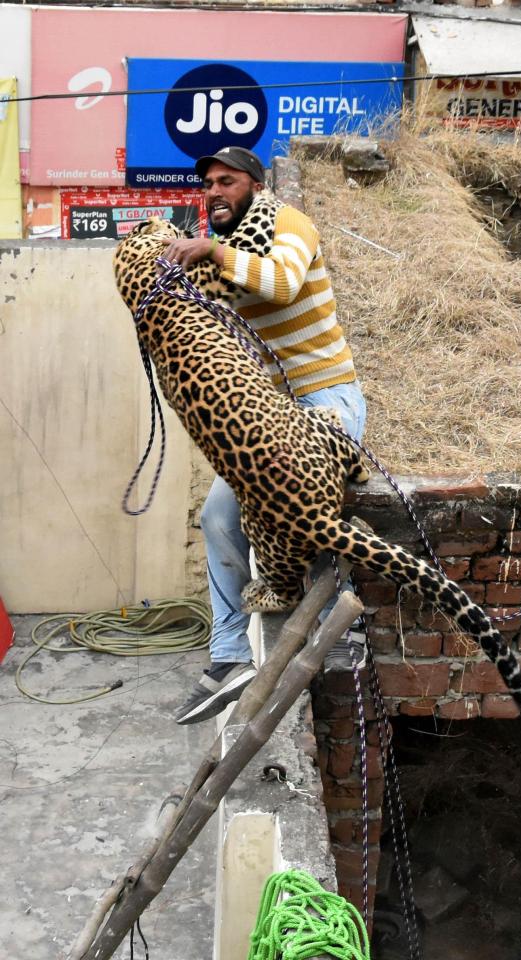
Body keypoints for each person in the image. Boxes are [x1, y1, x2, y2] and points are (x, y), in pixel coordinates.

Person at [163, 146, 367, 725]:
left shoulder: (288, 224)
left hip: (327, 399)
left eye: (227, 181)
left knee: (300, 514)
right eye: (208, 184)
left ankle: (341, 637)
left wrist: (209, 249)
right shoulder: (229, 258)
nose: (214, 192)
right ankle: (229, 657)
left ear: (254, 185)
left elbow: (280, 284)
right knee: (219, 518)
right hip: (274, 411)